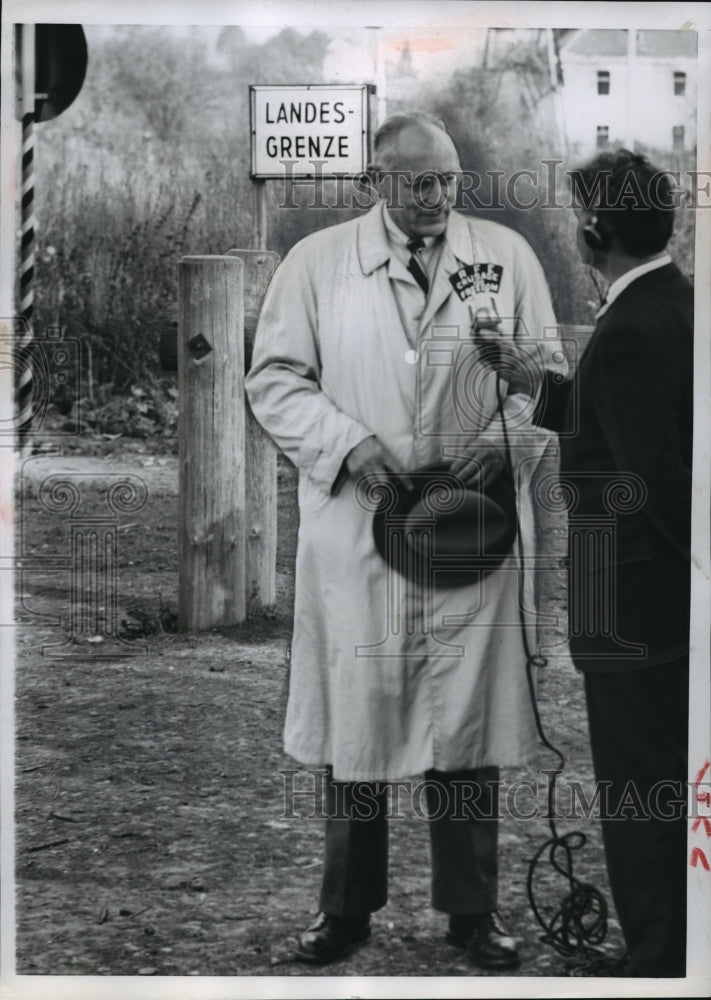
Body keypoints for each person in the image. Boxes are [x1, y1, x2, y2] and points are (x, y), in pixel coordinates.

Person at [246, 110, 566, 969]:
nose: (435, 198)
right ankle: (344, 912)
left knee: (466, 722)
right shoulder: (317, 265)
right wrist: (351, 447)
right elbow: (273, 379)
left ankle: (473, 913)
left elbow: (545, 378)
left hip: (473, 524)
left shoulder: (503, 256)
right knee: (357, 725)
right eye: (417, 182)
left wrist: (502, 447)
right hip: (361, 524)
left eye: (448, 181)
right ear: (373, 184)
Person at [529, 149, 693, 977]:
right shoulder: (674, 304)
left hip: (630, 607)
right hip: (656, 605)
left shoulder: (628, 328)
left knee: (639, 792)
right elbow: (627, 425)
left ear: (594, 231)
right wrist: (539, 386)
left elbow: (648, 482)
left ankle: (658, 959)